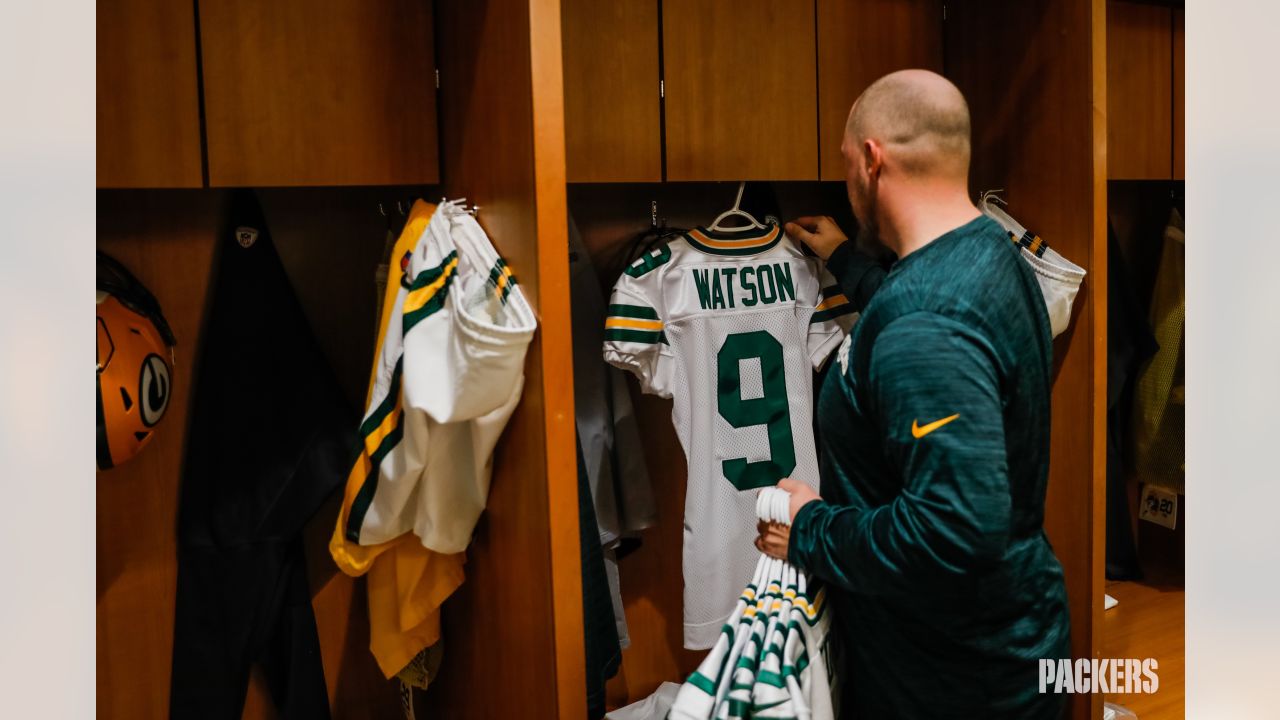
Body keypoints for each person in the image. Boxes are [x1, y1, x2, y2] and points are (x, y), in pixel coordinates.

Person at [757, 69, 1071, 718]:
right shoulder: (987, 252)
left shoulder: (924, 324)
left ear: (872, 160)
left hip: (950, 681)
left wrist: (810, 529)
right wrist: (847, 261)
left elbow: (952, 531)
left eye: (847, 166)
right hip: (990, 648)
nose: (847, 184)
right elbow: (920, 335)